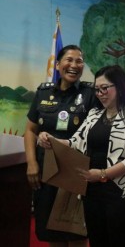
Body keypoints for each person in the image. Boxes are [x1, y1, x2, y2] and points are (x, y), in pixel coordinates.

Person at [37, 65, 125, 247]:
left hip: (122, 191)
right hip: (92, 189)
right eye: (97, 89)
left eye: (105, 88)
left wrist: (104, 174)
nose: (100, 93)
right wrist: (51, 139)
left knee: (119, 241)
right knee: (97, 240)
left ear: (119, 87)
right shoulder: (94, 114)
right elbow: (75, 142)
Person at [24, 44, 96, 247]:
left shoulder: (90, 94)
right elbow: (30, 131)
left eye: (79, 61)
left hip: (76, 174)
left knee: (76, 233)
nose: (74, 65)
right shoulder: (43, 93)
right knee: (51, 234)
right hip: (46, 173)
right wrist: (31, 163)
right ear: (58, 65)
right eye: (69, 60)